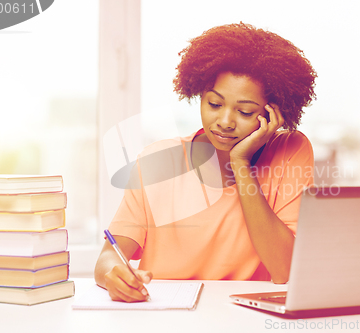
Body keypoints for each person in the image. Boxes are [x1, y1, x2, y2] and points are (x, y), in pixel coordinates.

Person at [94, 22, 317, 302]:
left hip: (245, 319)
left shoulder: (290, 151)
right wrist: (114, 275)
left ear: (273, 113)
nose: (224, 121)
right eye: (214, 104)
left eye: (245, 111)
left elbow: (284, 269)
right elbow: (108, 258)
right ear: (199, 95)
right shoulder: (156, 162)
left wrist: (240, 162)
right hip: (165, 316)